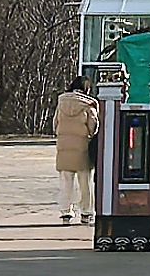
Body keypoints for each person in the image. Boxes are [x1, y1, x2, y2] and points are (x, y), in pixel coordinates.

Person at [52, 75, 98, 225]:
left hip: (64, 148)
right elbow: (93, 126)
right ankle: (86, 212)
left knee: (66, 182)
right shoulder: (89, 104)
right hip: (82, 147)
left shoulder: (61, 102)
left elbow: (55, 124)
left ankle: (66, 212)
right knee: (85, 183)